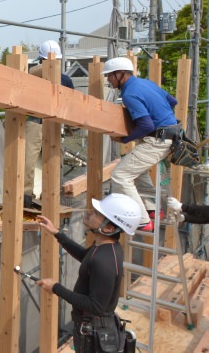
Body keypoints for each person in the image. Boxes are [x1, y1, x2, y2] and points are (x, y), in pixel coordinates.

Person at [36, 193, 142, 352]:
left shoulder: (104, 261)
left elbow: (95, 306)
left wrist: (56, 287)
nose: (90, 212)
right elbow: (86, 258)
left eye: (98, 214)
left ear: (108, 228)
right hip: (92, 328)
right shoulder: (104, 247)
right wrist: (57, 233)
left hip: (94, 335)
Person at [103, 56, 180, 231]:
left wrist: (124, 139)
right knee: (137, 171)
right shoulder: (147, 83)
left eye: (110, 76)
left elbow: (146, 125)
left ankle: (142, 221)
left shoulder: (129, 93)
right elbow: (172, 101)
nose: (108, 80)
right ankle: (153, 209)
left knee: (120, 176)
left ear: (120, 74)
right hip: (169, 136)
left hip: (157, 140)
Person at [24, 40, 75, 199]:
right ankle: (28, 196)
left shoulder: (64, 80)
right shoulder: (34, 76)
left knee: (45, 161)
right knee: (31, 161)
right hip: (38, 121)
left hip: (47, 123)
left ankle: (43, 195)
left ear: (40, 59)